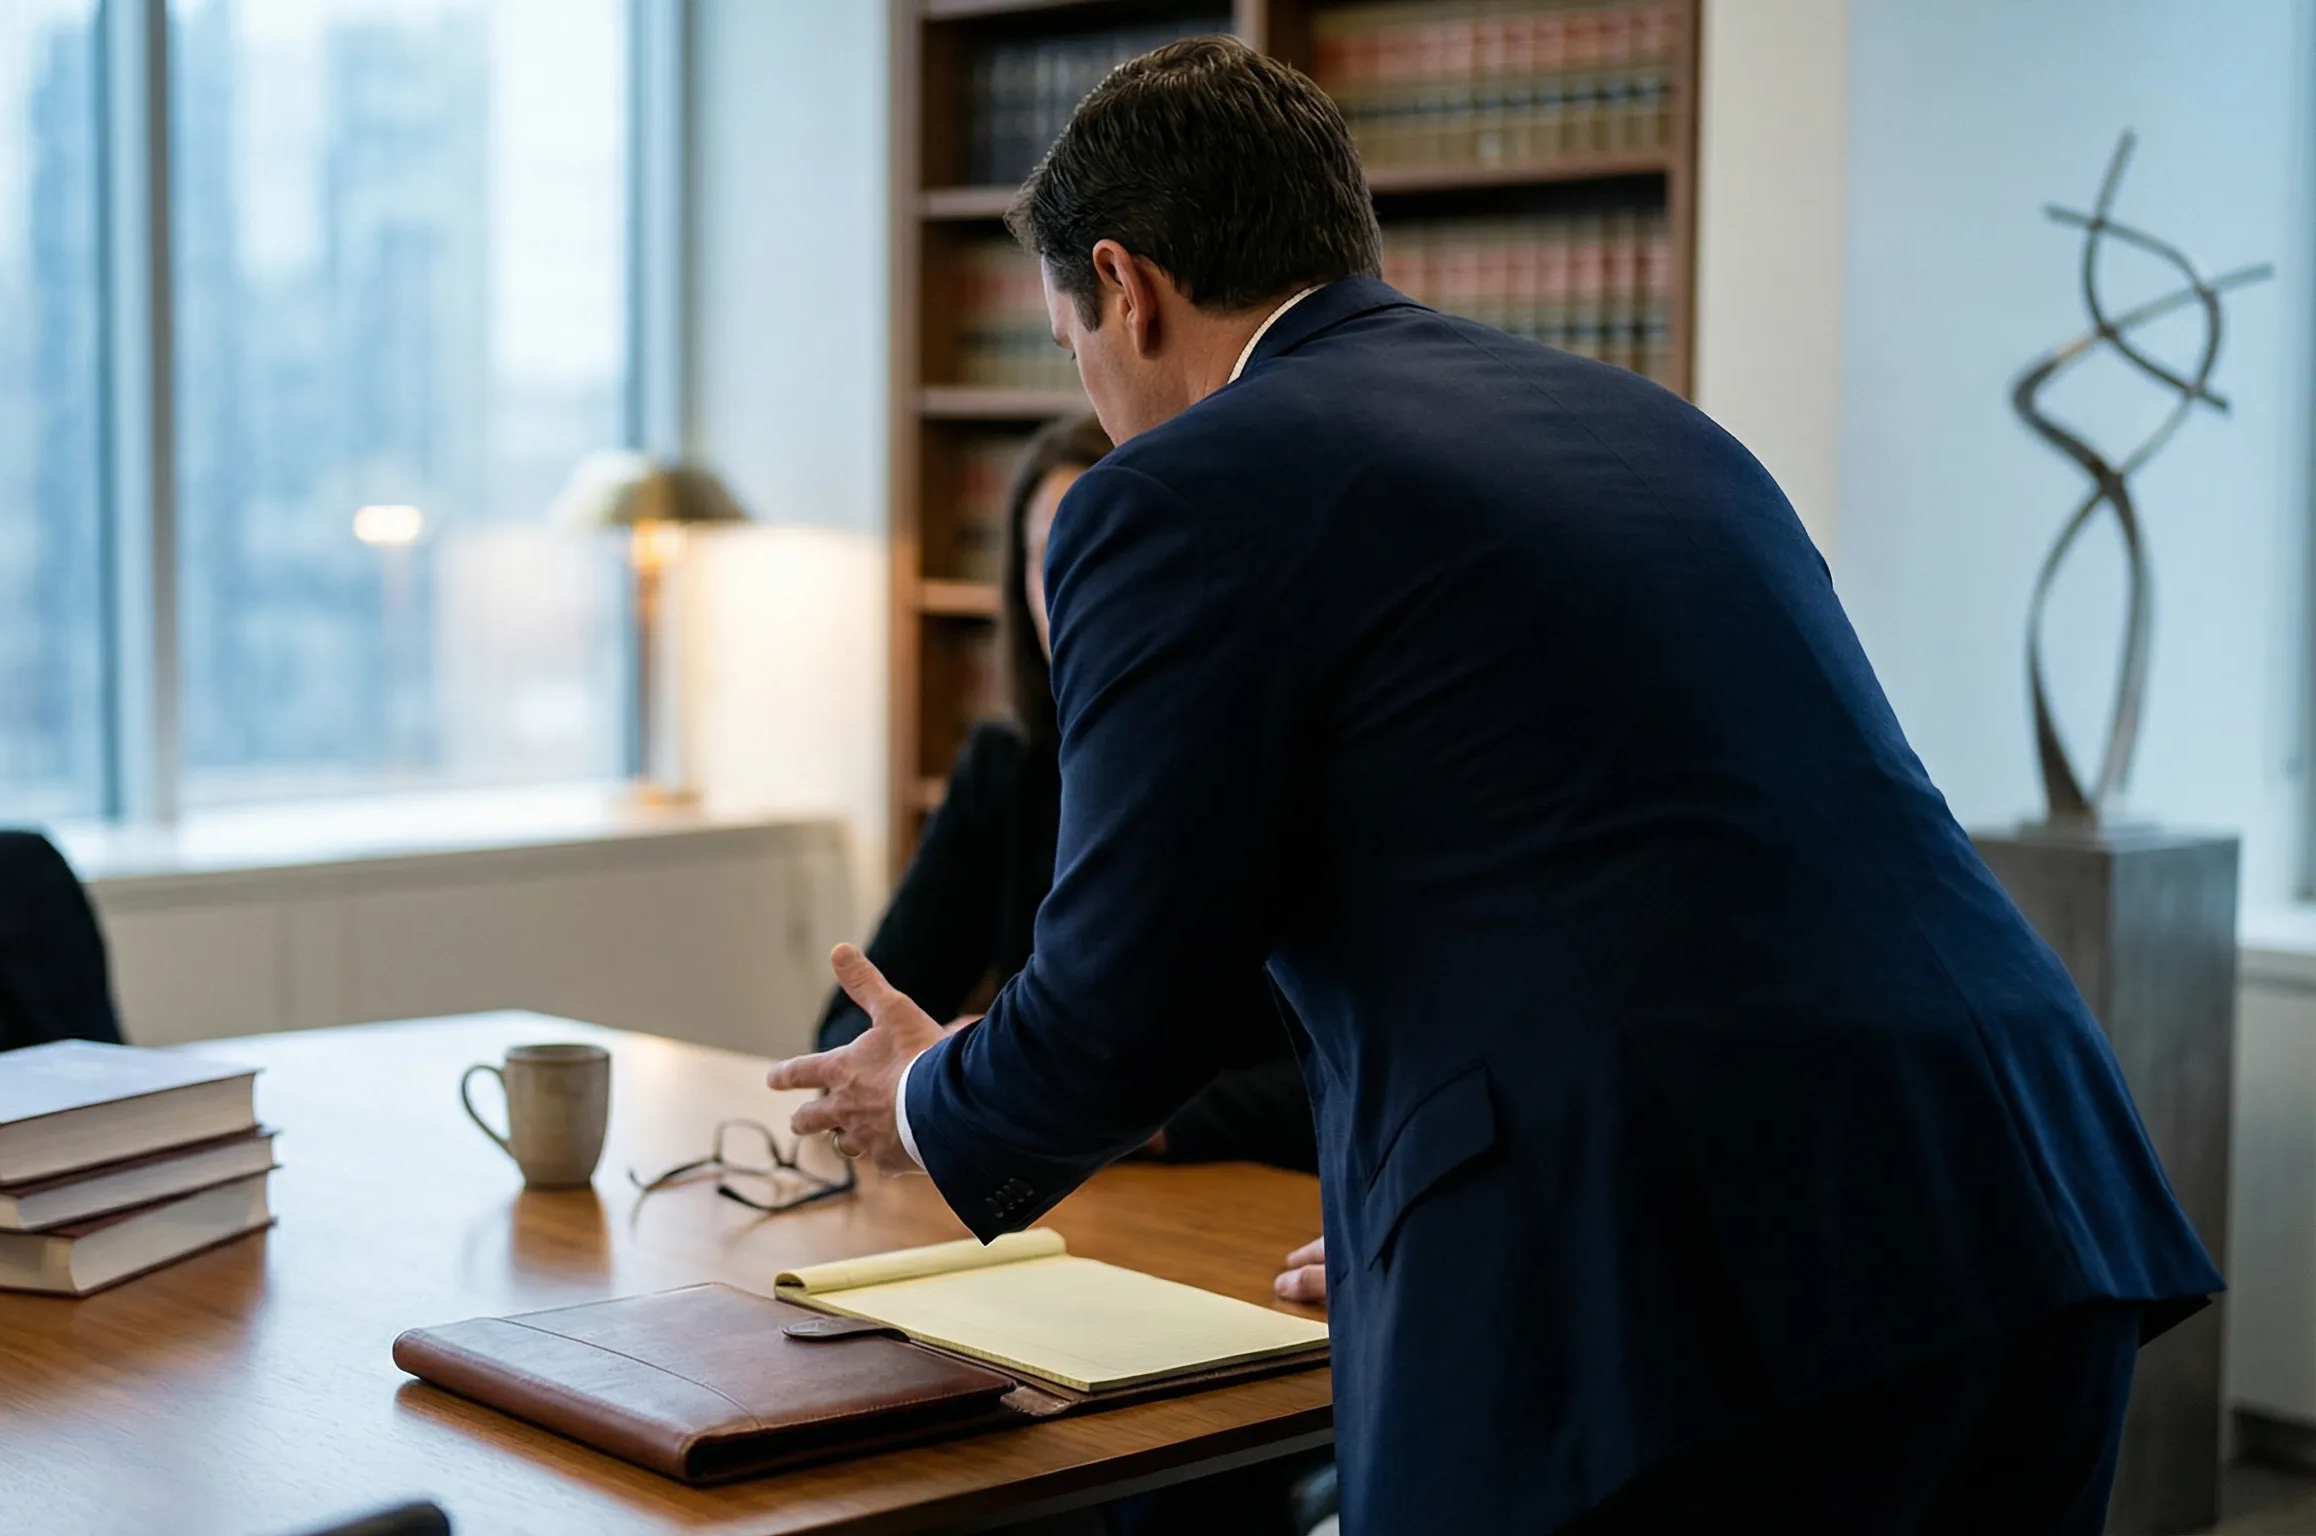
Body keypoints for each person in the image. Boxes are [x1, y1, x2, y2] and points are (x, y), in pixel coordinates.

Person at [770, 34, 2220, 1536]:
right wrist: (1428, 1217)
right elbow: (1611, 874)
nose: (1095, 387)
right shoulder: (1650, 428)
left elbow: (1131, 997)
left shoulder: (1176, 495)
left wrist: (930, 1094)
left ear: (1126, 289)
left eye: (1076, 345)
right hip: (2025, 1201)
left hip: (1683, 1300)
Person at [816, 411, 1314, 1174]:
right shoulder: (1006, 764)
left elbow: (1354, 1079)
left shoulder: (1277, 758)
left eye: (1107, 556)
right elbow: (855, 1029)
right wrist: (951, 1065)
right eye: (1049, 558)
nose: (1075, 593)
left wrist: (1106, 1112)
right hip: (1057, 1206)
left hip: (1243, 1199)